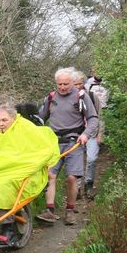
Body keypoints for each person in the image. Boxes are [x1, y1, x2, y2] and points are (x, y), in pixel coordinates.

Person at [0, 105, 59, 247]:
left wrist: (18, 161)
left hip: (18, 169)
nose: (1, 124)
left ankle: (7, 229)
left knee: (4, 186)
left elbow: (42, 149)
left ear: (13, 119)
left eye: (5, 120)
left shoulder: (25, 127)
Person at [36, 68, 99, 226]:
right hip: (54, 142)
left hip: (74, 142)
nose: (62, 87)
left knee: (72, 178)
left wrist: (85, 134)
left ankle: (70, 210)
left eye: (66, 84)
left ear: (72, 82)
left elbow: (93, 119)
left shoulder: (81, 96)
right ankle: (49, 210)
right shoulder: (51, 97)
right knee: (50, 175)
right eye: (59, 84)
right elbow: (40, 118)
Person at [79, 72, 108, 198]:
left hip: (92, 133)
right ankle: (77, 188)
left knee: (91, 159)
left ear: (84, 83)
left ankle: (88, 184)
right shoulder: (69, 98)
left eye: (79, 83)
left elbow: (100, 116)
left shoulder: (92, 96)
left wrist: (100, 134)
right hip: (77, 134)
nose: (77, 86)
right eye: (74, 84)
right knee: (77, 161)